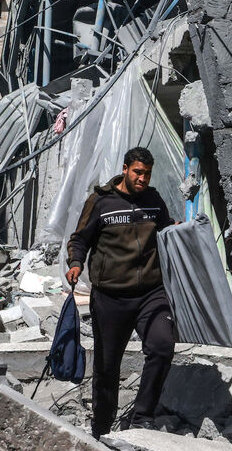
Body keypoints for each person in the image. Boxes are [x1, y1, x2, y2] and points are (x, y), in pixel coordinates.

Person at [66, 146, 177, 437]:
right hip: (110, 297)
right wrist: (76, 263)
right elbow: (79, 239)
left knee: (162, 347)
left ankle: (142, 416)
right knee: (106, 367)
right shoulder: (101, 201)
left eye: (147, 174)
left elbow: (166, 233)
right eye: (138, 172)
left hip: (150, 294)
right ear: (125, 169)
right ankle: (101, 429)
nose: (142, 178)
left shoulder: (153, 200)